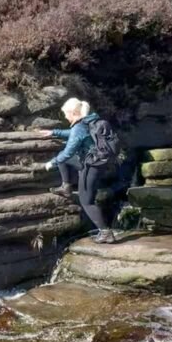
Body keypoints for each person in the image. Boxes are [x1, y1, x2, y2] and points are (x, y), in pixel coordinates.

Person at [40, 97, 116, 244]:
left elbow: (68, 152)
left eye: (66, 114)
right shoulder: (87, 121)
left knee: (86, 201)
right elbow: (73, 135)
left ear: (73, 112)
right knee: (63, 158)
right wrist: (54, 132)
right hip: (97, 162)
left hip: (91, 166)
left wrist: (51, 163)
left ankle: (106, 232)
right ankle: (66, 187)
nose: (66, 117)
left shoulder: (79, 127)